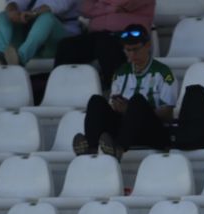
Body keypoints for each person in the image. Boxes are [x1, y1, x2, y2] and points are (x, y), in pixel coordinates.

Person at [72, 25, 175, 159]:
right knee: (95, 101)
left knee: (137, 101)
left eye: (136, 49)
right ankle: (91, 149)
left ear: (148, 45)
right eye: (128, 50)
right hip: (125, 127)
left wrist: (132, 109)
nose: (132, 55)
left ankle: (118, 148)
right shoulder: (120, 73)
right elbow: (113, 106)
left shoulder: (163, 72)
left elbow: (168, 115)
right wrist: (119, 107)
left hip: (152, 131)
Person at [54, 0, 151, 90]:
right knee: (66, 45)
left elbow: (124, 3)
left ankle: (114, 90)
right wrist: (111, 8)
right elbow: (85, 9)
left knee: (105, 43)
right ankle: (61, 88)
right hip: (98, 35)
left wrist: (99, 5)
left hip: (130, 34)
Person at [0, 0, 80, 70]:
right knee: (4, 16)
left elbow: (57, 5)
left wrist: (33, 13)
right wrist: (12, 10)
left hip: (58, 45)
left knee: (46, 17)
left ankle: (20, 58)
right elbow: (14, 3)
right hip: (31, 40)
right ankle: (0, 55)